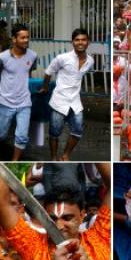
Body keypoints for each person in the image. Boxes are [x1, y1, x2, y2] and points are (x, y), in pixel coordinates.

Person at [41, 28, 94, 161]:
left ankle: (65, 155)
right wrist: (45, 88)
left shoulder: (90, 61)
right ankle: (53, 157)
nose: (80, 42)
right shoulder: (62, 58)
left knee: (77, 130)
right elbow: (48, 72)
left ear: (88, 42)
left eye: (83, 40)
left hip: (75, 101)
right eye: (77, 40)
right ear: (72, 42)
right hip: (59, 101)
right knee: (54, 132)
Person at [0, 23, 38, 161]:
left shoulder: (33, 56)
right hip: (5, 102)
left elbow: (29, 72)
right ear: (14, 39)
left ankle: (14, 161)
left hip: (24, 102)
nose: (26, 40)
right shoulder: (3, 57)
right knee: (1, 134)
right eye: (22, 37)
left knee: (22, 136)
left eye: (27, 37)